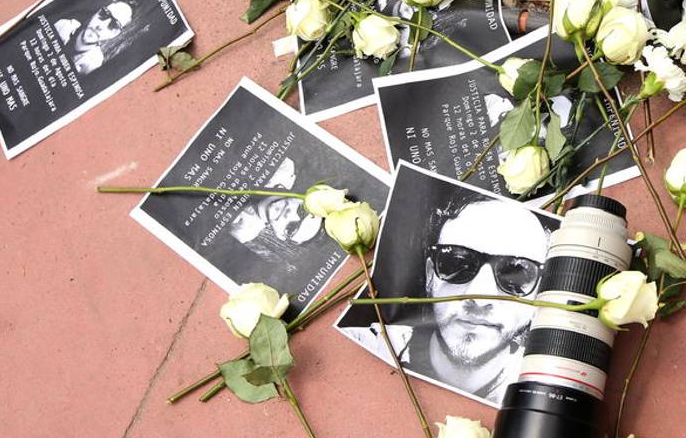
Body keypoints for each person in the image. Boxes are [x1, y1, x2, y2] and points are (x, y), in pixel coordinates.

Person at [344, 190, 550, 403]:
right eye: (457, 263)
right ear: (430, 276)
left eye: (516, 274)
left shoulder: (544, 389)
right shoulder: (363, 347)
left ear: (540, 293)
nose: (479, 299)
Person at [228, 157, 322, 256]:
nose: (289, 214)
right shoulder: (283, 168)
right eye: (302, 210)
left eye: (291, 228)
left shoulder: (243, 231)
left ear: (280, 236)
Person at [54, 0, 134, 75]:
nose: (101, 26)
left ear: (114, 34)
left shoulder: (92, 64)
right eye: (104, 14)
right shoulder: (63, 26)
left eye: (114, 25)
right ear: (96, 12)